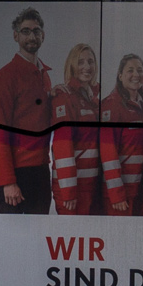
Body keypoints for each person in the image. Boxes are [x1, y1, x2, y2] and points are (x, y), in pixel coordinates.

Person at [0, 7, 53, 214]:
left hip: (40, 170)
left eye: (36, 31)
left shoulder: (45, 75)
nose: (31, 36)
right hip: (16, 172)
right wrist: (8, 181)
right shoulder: (5, 78)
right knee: (11, 241)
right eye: (25, 31)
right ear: (16, 36)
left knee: (38, 240)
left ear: (42, 36)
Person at [50, 43, 102, 215]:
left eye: (90, 61)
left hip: (91, 185)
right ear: (72, 65)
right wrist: (69, 190)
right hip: (73, 189)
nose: (87, 67)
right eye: (80, 62)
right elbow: (62, 146)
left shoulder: (93, 99)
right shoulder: (65, 96)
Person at [100, 54, 143, 216]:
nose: (136, 75)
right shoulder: (111, 105)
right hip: (121, 194)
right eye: (130, 70)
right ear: (120, 75)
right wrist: (116, 194)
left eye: (140, 70)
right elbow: (108, 153)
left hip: (141, 190)